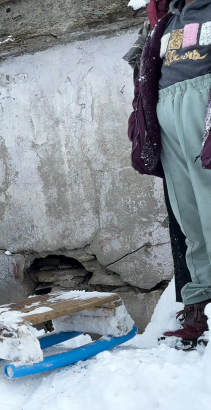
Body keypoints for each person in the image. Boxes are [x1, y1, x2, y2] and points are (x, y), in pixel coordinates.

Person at [130, 0, 211, 349]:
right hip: (167, 112)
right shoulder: (167, 19)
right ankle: (199, 303)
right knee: (187, 213)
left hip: (204, 104)